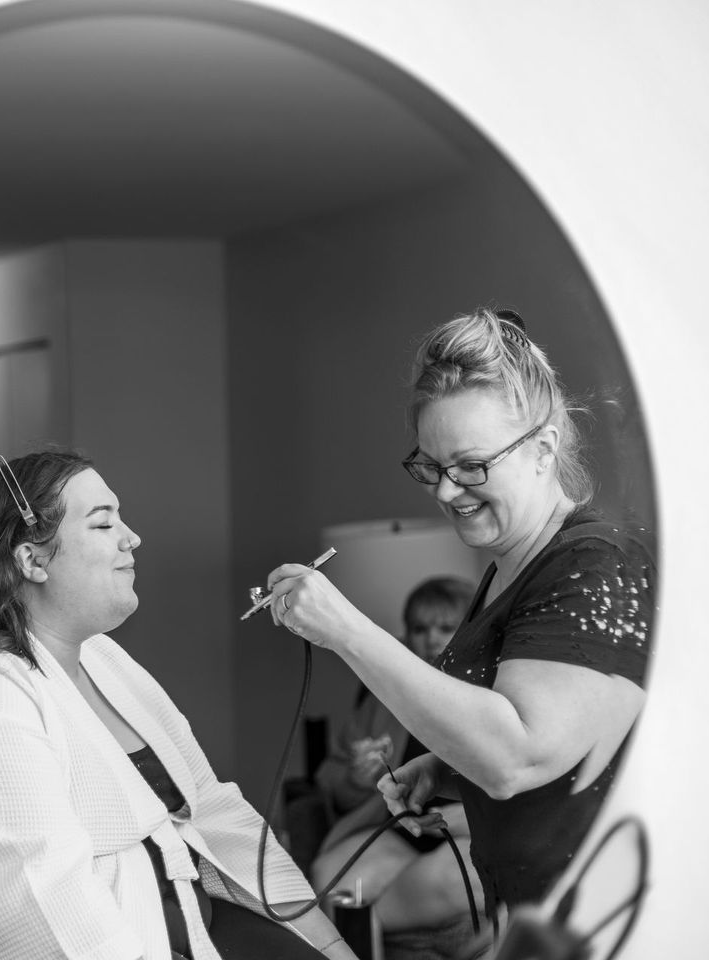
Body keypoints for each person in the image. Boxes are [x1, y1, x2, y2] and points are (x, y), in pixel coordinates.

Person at [0, 450, 357, 960]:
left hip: (175, 929)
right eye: (103, 523)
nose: (133, 538)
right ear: (33, 559)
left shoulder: (105, 660)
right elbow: (45, 907)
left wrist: (329, 946)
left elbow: (213, 813)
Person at [263, 308, 653, 925]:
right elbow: (551, 737)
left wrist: (345, 628)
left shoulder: (594, 563)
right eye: (431, 468)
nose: (446, 492)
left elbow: (515, 757)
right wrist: (444, 767)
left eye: (472, 466)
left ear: (544, 449)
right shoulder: (506, 568)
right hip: (522, 914)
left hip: (596, 922)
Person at [307, 577, 483, 948]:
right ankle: (369, 929)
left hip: (474, 833)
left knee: (459, 878)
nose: (432, 638)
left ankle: (365, 928)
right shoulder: (385, 693)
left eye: (446, 627)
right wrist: (357, 778)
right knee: (330, 877)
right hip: (402, 829)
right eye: (420, 628)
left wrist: (456, 820)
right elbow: (330, 781)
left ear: (472, 630)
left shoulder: (492, 692)